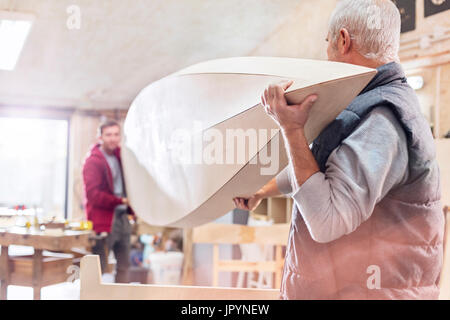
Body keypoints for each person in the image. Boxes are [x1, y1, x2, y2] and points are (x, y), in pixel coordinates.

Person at [234, 0, 444, 299]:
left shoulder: (381, 120)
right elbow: (324, 171)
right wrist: (262, 190)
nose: (327, 54)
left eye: (328, 44)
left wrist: (291, 130)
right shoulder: (369, 104)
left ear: (343, 40)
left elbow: (327, 221)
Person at [82, 119, 134, 283]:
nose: (113, 138)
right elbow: (93, 195)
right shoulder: (93, 161)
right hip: (104, 221)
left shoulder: (122, 157)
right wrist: (120, 200)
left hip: (123, 218)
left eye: (116, 134)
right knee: (99, 268)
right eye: (108, 134)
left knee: (124, 266)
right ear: (100, 136)